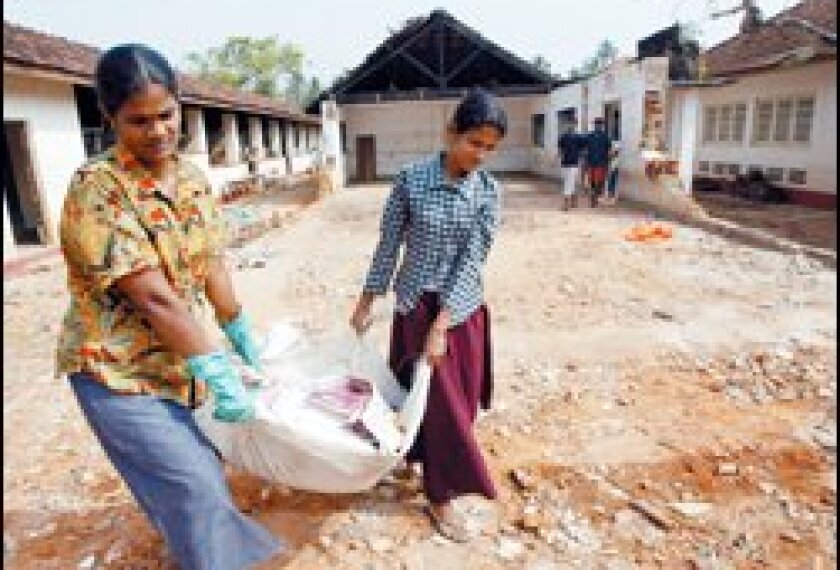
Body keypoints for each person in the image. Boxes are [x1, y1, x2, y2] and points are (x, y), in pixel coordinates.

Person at [55, 44, 284, 569]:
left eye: (167, 115)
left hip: (177, 362)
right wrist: (217, 370)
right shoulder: (98, 191)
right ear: (109, 116)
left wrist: (239, 331)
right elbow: (155, 297)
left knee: (198, 473)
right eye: (139, 121)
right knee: (195, 485)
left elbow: (212, 267)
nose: (158, 131)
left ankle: (198, 552)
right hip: (117, 371)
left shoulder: (193, 180)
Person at [350, 89, 505, 543]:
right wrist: (367, 300)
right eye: (474, 142)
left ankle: (436, 465)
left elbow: (472, 261)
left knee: (456, 401)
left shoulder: (488, 193)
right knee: (430, 401)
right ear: (451, 132)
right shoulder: (411, 180)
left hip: (459, 310)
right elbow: (389, 244)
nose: (480, 155)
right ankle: (443, 493)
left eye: (489, 148)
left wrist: (443, 325)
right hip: (414, 303)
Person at [584, 118, 612, 207]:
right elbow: (585, 149)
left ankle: (596, 196)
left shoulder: (605, 137)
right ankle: (593, 197)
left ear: (602, 126)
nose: (598, 126)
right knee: (592, 180)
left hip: (601, 162)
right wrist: (585, 161)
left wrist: (609, 160)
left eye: (599, 124)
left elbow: (609, 150)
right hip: (591, 162)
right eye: (597, 124)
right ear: (595, 125)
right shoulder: (590, 136)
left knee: (600, 181)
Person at [557, 123, 584, 211]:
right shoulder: (563, 137)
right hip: (565, 163)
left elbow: (583, 149)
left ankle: (566, 203)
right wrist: (559, 157)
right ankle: (574, 200)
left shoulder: (579, 138)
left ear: (575, 126)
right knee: (569, 182)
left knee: (568, 182)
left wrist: (580, 158)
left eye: (573, 124)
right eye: (569, 124)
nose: (571, 126)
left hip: (574, 163)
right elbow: (560, 149)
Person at [605, 139, 621, 206]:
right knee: (611, 181)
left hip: (615, 166)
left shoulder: (616, 144)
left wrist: (610, 154)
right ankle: (610, 196)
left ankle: (612, 196)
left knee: (612, 181)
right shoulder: (615, 144)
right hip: (613, 166)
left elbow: (613, 154)